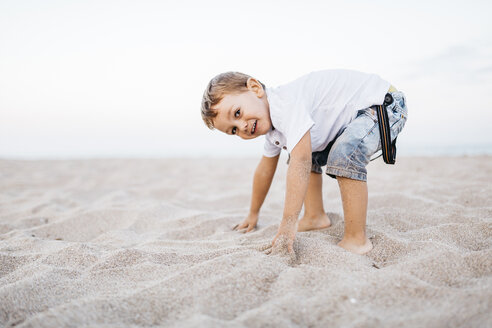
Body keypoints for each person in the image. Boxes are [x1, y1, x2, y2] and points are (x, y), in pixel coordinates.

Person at [200, 69, 408, 255]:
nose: (242, 126)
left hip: (383, 104)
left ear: (255, 88)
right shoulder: (274, 130)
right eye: (233, 130)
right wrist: (253, 214)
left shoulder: (284, 104)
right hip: (357, 115)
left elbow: (301, 161)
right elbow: (265, 170)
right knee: (301, 150)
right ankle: (315, 216)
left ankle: (357, 239)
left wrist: (288, 224)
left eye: (237, 113)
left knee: (343, 154)